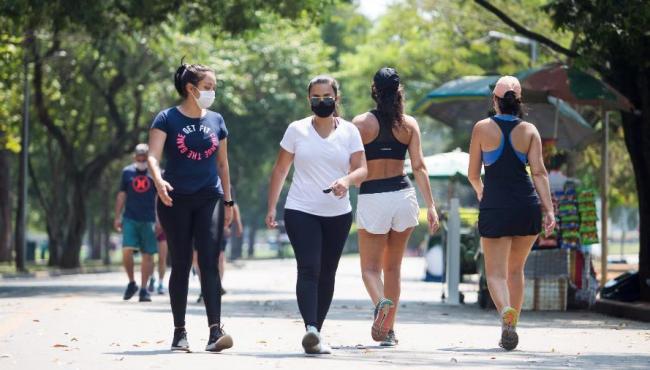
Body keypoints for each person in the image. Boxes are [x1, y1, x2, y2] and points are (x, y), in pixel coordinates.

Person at [266, 75, 367, 355]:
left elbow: (362, 170)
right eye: (316, 97)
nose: (321, 101)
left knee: (327, 273)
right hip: (301, 210)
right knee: (309, 268)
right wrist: (271, 207)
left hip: (338, 214)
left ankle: (316, 333)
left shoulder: (349, 131)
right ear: (308, 99)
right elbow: (280, 170)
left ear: (337, 98)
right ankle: (310, 328)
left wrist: (345, 181)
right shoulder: (296, 130)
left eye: (326, 96)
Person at [148, 61, 234, 353]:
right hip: (175, 199)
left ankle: (214, 331)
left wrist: (229, 200)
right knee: (182, 263)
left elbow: (222, 164)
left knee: (209, 261)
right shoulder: (166, 118)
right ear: (191, 88)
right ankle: (179, 332)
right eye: (208, 87)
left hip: (209, 196)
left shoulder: (217, 121)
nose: (212, 92)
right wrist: (158, 182)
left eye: (214, 88)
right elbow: (152, 157)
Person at [352, 67, 440, 347]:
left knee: (369, 269)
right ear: (399, 91)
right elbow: (419, 167)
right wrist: (432, 207)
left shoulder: (361, 123)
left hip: (374, 197)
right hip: (404, 196)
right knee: (393, 270)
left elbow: (352, 167)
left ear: (374, 90)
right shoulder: (409, 124)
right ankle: (389, 331)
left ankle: (381, 304)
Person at [468, 76, 555, 351]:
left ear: (495, 100)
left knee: (495, 273)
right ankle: (512, 325)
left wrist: (482, 191)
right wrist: (549, 210)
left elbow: (473, 174)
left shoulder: (482, 128)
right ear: (519, 102)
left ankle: (505, 312)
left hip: (495, 205)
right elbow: (539, 173)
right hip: (526, 207)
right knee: (516, 270)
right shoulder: (530, 130)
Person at [114, 143, 158, 303]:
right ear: (134, 156)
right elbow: (121, 195)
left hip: (149, 218)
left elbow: (158, 197)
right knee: (127, 249)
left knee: (148, 254)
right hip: (130, 217)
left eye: (144, 156)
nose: (141, 158)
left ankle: (144, 289)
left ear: (148, 157)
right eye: (139, 155)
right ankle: (132, 282)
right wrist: (117, 216)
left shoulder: (154, 173)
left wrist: (160, 219)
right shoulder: (127, 172)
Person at [150, 223, 168, 295]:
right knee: (150, 258)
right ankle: (152, 278)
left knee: (162, 258)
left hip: (163, 229)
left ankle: (160, 283)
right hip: (150, 228)